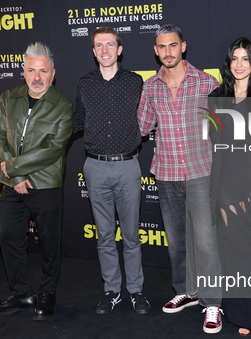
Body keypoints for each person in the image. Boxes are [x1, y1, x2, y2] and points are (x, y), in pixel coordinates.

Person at [137, 25, 223, 333]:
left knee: (207, 242)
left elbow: (221, 129)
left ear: (183, 47)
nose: (168, 52)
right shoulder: (150, 87)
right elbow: (142, 126)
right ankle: (187, 291)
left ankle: (213, 302)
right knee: (176, 242)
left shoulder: (206, 82)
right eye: (162, 47)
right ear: (156, 50)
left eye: (173, 45)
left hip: (201, 172)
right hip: (166, 173)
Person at [0, 42, 73, 320]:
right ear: (23, 72)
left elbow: (53, 148)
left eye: (43, 71)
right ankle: (22, 293)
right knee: (9, 237)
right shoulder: (8, 98)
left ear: (53, 74)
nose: (37, 77)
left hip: (45, 184)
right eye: (31, 70)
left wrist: (13, 168)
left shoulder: (62, 107)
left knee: (49, 242)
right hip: (12, 183)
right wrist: (16, 175)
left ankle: (47, 293)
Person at [74, 27, 149, 315]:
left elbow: (149, 118)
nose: (104, 50)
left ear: (119, 50)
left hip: (128, 165)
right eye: (98, 46)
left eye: (110, 45)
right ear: (94, 52)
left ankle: (136, 292)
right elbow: (75, 121)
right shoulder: (84, 83)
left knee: (131, 235)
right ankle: (111, 290)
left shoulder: (135, 82)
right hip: (94, 167)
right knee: (104, 235)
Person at [208, 37, 251, 336]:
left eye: (245, 59)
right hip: (225, 182)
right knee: (231, 250)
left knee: (249, 252)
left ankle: (246, 313)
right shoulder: (216, 97)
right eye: (234, 58)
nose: (239, 64)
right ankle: (240, 313)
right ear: (228, 63)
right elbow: (214, 143)